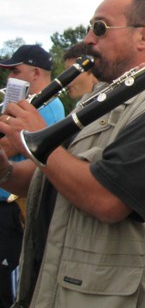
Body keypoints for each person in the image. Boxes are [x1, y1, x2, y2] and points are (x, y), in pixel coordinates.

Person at [0, 0, 145, 308]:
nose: (88, 39)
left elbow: (107, 200)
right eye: (90, 27)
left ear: (144, 37)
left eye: (101, 28)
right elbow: (49, 177)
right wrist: (5, 170)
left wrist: (37, 137)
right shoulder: (96, 100)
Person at [0, 45, 65, 308]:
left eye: (15, 71)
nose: (9, 78)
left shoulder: (46, 106)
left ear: (35, 72)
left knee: (7, 288)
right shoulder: (24, 105)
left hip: (12, 207)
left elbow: (9, 146)